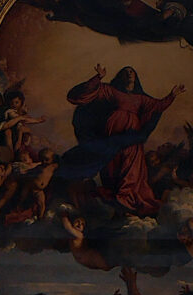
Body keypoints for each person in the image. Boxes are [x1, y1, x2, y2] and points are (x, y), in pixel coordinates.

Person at [64, 63, 184, 215]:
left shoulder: (141, 98)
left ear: (136, 77)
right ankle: (115, 192)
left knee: (132, 162)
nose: (129, 74)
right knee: (113, 160)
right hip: (113, 131)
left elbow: (158, 106)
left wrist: (172, 95)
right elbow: (87, 92)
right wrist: (98, 77)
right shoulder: (111, 91)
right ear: (120, 76)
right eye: (126, 71)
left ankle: (126, 196)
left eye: (132, 71)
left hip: (133, 133)